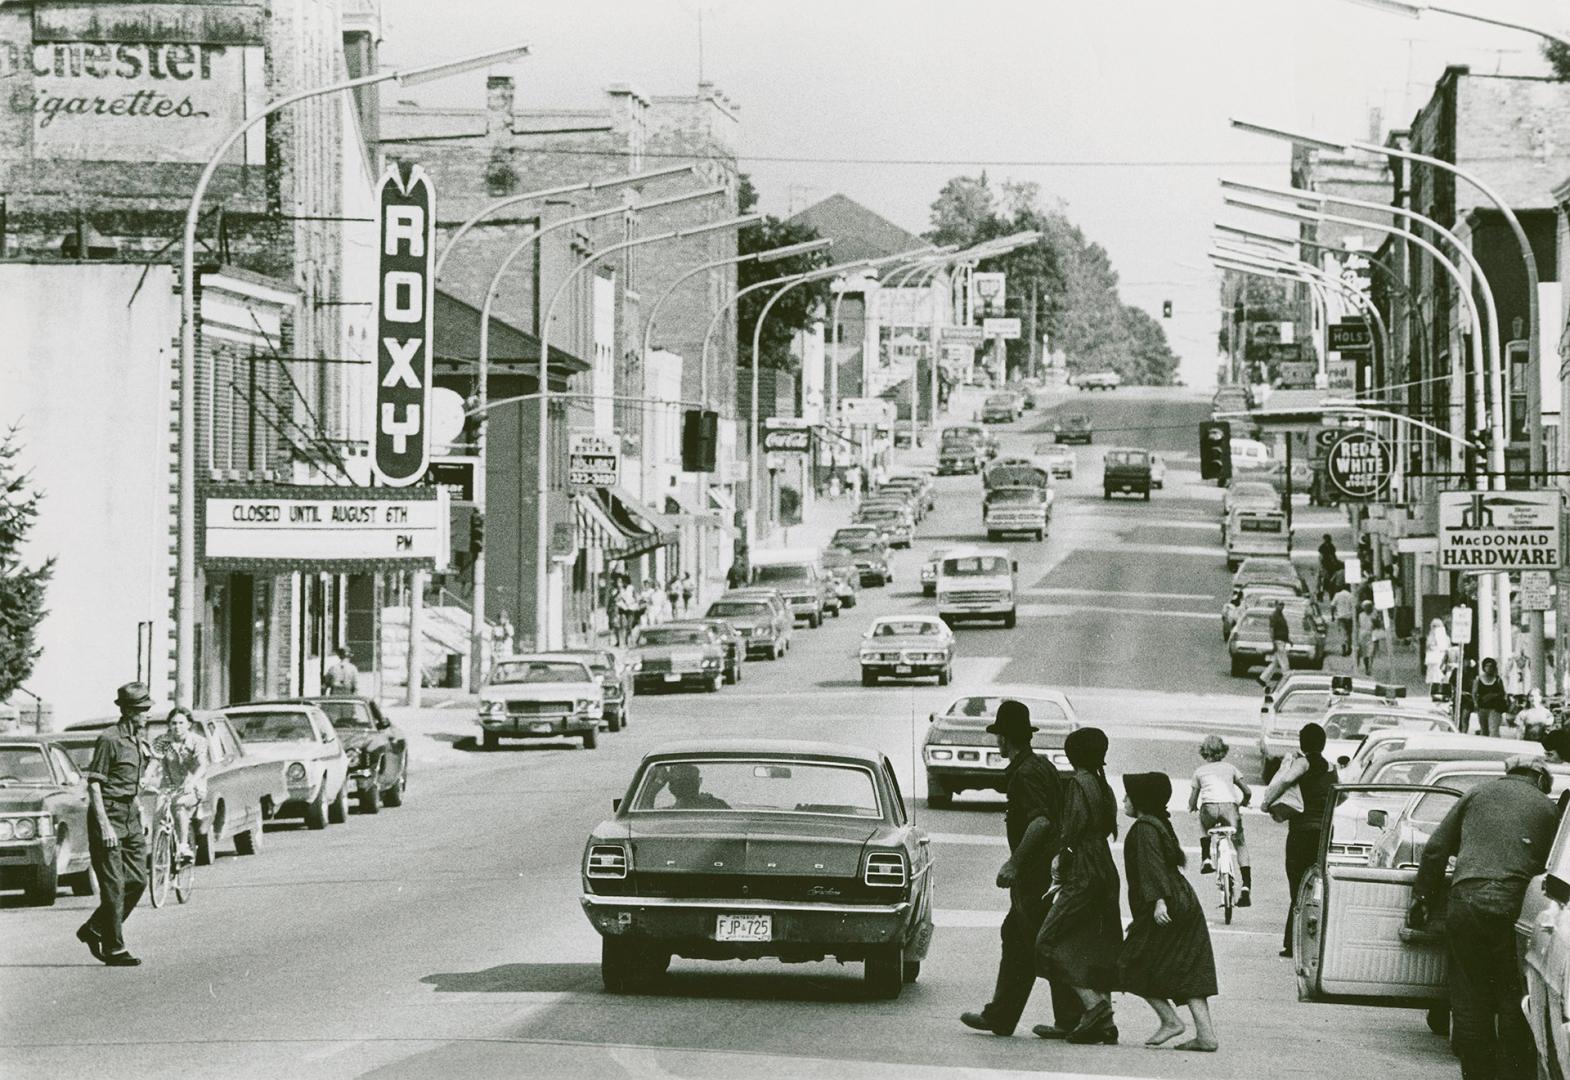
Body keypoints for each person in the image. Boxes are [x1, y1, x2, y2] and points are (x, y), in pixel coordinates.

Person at [1411, 758, 1556, 1080]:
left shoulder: (1476, 794)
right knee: (1513, 994)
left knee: (1469, 994)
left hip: (1467, 901)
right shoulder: (1548, 808)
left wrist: (1422, 898)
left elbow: (1435, 849)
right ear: (1540, 776)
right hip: (1515, 907)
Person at [960, 701, 1077, 1038]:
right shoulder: (1041, 766)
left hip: (1036, 874)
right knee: (1018, 937)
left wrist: (1015, 863)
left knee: (1043, 940)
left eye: (998, 736)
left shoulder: (1024, 775)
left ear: (1004, 739)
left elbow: (1040, 821)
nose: (997, 742)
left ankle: (1076, 1016)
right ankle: (1003, 1014)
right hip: (1049, 870)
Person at [1119, 772, 1220, 1052]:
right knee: (1189, 968)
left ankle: (1170, 1020)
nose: (1124, 799)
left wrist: (1158, 902)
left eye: (1128, 795)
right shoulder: (1159, 823)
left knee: (1131, 962)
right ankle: (1206, 1035)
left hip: (1166, 903)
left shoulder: (1143, 828)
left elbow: (1151, 866)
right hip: (1185, 900)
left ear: (1140, 800)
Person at [1034, 727, 1122, 1045]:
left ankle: (1095, 1007)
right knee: (1096, 941)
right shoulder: (1101, 783)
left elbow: (1071, 829)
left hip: (1083, 867)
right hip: (1104, 866)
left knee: (1048, 940)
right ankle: (1105, 1022)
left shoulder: (1077, 784)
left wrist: (1060, 859)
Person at [76, 682, 153, 967]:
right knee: (114, 886)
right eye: (142, 710)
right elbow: (95, 785)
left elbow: (135, 782)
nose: (146, 714)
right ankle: (113, 948)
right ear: (128, 711)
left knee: (138, 880)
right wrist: (105, 826)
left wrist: (140, 811)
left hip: (130, 814)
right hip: (107, 814)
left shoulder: (138, 740)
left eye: (147, 709)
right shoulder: (109, 740)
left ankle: (94, 928)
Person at [1261, 722, 1336, 958]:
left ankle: (1293, 943)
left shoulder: (1303, 763)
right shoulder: (1332, 768)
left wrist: (1267, 802)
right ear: (1323, 743)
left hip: (1301, 832)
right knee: (1318, 885)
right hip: (1323, 834)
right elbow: (1340, 795)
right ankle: (1317, 941)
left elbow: (1285, 781)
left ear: (1303, 743)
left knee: (1298, 886)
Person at [1188, 735, 1251, 907]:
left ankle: (1206, 857)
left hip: (1209, 809)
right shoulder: (1230, 768)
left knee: (1202, 823)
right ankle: (1246, 886)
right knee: (1240, 843)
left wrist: (1193, 807)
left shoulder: (1199, 772)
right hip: (1230, 808)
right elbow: (1247, 791)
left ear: (1204, 752)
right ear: (1223, 751)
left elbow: (1193, 800)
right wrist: (1244, 802)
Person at [152, 706, 208, 863]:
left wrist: (193, 781)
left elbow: (202, 765)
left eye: (181, 723)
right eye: (174, 723)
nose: (177, 727)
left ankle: (183, 846)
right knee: (157, 815)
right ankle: (160, 852)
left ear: (189, 724)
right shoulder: (162, 741)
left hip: (193, 785)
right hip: (169, 785)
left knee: (179, 805)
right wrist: (145, 778)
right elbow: (154, 762)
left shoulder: (198, 741)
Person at [657, 763, 730, 810]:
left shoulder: (662, 815)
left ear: (670, 787)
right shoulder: (719, 806)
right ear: (699, 781)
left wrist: (655, 787)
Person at [1258, 600, 1292, 688]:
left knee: (1275, 663)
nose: (1282, 606)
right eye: (1280, 604)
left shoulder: (1280, 615)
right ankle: (1286, 682)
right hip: (1278, 642)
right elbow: (1272, 630)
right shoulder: (1274, 616)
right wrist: (1273, 643)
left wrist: (1288, 639)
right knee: (1285, 665)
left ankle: (1263, 678)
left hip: (1282, 641)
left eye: (1283, 604)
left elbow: (1283, 629)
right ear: (1276, 605)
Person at [1474, 657, 1509, 738]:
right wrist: (1475, 704)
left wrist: (1493, 695)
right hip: (1482, 708)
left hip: (1495, 709)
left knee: (1493, 730)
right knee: (1484, 731)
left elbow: (1503, 692)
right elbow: (1474, 693)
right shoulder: (1478, 679)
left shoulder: (1498, 679)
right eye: (1487, 666)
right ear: (1483, 667)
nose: (1489, 668)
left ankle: (1495, 746)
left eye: (1491, 666)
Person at [1425, 618, 1453, 701]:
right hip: (1435, 660)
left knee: (1440, 677)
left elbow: (1446, 647)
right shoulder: (1432, 637)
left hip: (1440, 660)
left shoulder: (1439, 636)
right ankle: (1437, 693)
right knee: (1436, 677)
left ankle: (1441, 693)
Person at [1331, 583, 1355, 657]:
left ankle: (1343, 649)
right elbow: (1354, 606)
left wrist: (1332, 616)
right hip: (1349, 617)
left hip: (1340, 617)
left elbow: (1332, 606)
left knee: (1342, 633)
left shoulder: (1337, 595)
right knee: (1349, 633)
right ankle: (1349, 647)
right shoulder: (1351, 595)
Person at [1356, 601, 1380, 677]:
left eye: (1369, 607)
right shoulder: (1360, 615)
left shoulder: (1374, 615)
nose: (1367, 609)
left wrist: (1375, 622)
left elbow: (1378, 626)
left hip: (1372, 634)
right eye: (1366, 607)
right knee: (1365, 653)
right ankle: (1367, 667)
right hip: (1362, 635)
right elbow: (1358, 626)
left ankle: (1370, 667)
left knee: (1371, 652)